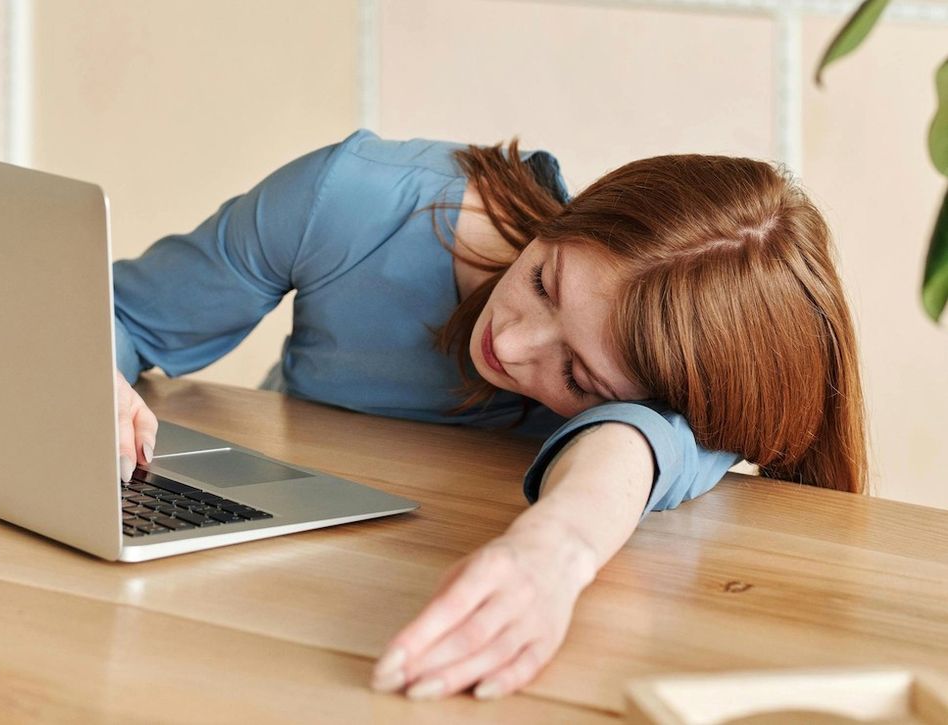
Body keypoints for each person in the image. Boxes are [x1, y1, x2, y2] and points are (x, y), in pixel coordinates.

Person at [112, 128, 868, 701]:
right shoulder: (353, 201)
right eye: (544, 281)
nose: (511, 341)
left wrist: (555, 549)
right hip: (251, 575)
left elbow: (638, 446)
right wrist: (95, 374)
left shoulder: (670, 408)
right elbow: (121, 314)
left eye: (576, 372)